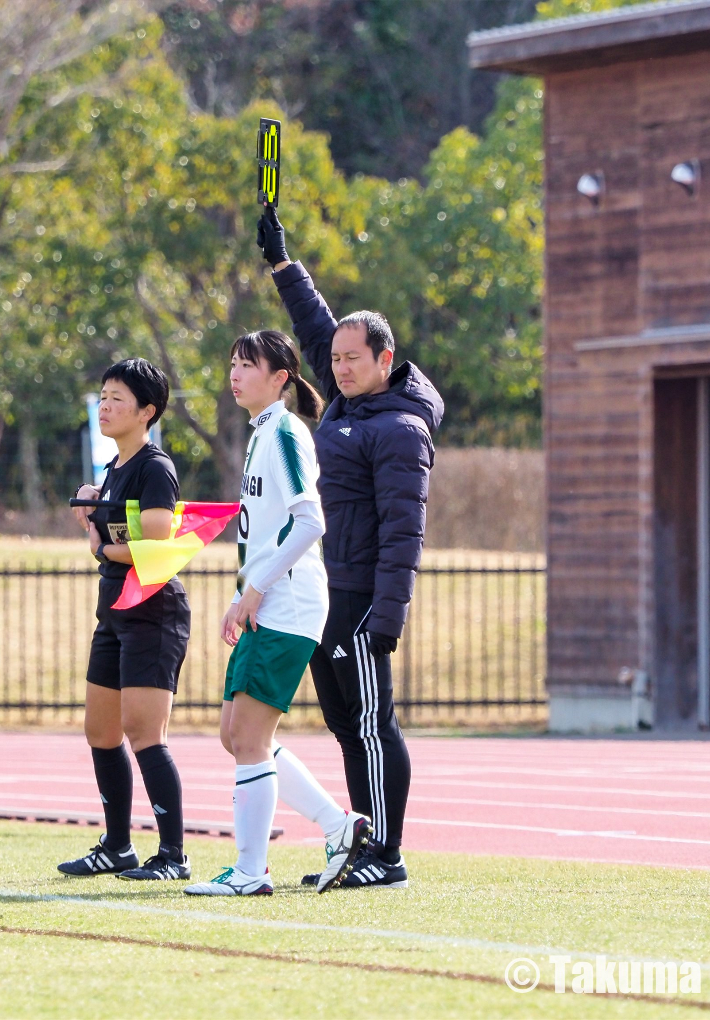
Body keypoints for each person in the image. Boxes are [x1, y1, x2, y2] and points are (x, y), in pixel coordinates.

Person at [257, 206, 442, 889]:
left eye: (351, 359)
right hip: (324, 594)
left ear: (384, 361)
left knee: (371, 725)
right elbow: (316, 325)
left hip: (363, 601)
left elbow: (405, 529)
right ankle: (360, 845)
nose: (337, 368)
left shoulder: (398, 428)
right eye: (332, 360)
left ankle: (386, 856)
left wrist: (387, 616)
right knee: (343, 726)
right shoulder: (346, 402)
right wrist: (282, 261)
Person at [183, 330, 373, 898]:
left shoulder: (286, 432)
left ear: (280, 378)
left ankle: (250, 871)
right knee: (235, 734)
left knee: (247, 735)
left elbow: (310, 520)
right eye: (233, 363)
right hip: (269, 601)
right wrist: (246, 592)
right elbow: (266, 533)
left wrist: (257, 588)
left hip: (288, 604)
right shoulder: (260, 434)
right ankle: (338, 825)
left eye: (248, 365)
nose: (235, 374)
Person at [58, 358, 193, 882]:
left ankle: (173, 855)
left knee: (144, 732)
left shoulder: (154, 465)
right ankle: (117, 847)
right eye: (104, 395)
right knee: (101, 730)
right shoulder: (114, 468)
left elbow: (158, 535)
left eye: (118, 398)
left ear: (147, 411)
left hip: (153, 613)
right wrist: (97, 502)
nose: (106, 406)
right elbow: (120, 529)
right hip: (113, 612)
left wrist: (99, 538)